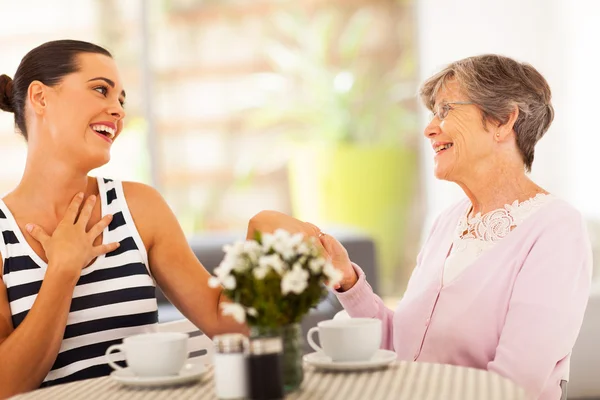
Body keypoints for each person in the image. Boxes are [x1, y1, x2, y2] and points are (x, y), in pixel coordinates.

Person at [248, 54, 592, 400]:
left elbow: (514, 387)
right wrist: (347, 281)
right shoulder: (448, 222)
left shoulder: (556, 230)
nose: (429, 128)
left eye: (446, 111)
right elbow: (402, 346)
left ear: (503, 120)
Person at [0, 40, 246, 398]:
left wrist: (271, 260)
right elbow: (6, 385)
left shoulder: (140, 207)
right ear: (40, 98)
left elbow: (227, 325)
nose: (117, 110)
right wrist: (63, 270)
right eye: (101, 90)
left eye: (121, 100)